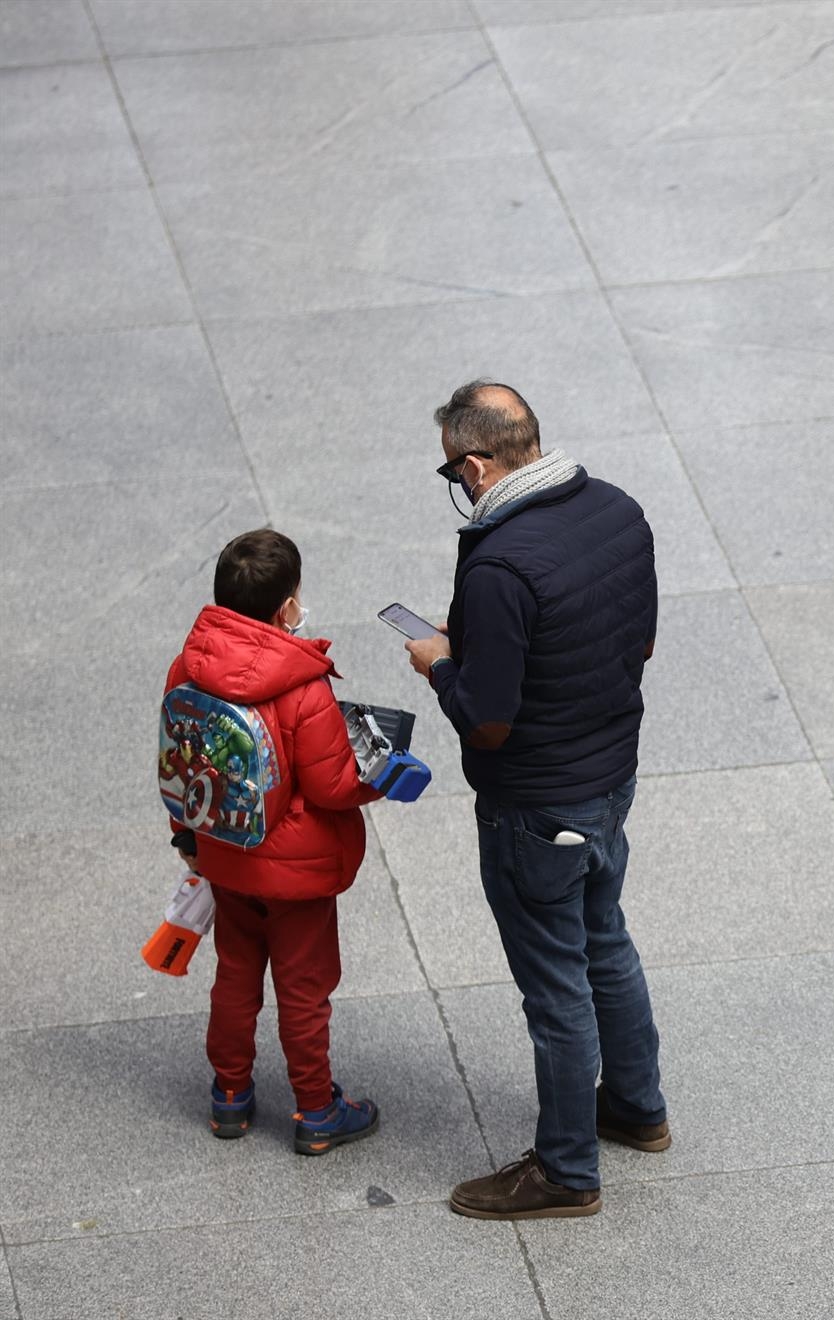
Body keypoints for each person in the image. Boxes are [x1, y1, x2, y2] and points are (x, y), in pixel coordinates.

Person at [406, 380, 665, 1220]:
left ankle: (565, 1171)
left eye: (454, 470)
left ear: (479, 463)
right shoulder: (619, 510)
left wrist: (440, 665)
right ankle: (635, 1107)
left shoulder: (502, 565)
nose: (458, 483)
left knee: (556, 989)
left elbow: (486, 721)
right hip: (608, 779)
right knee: (605, 941)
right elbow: (645, 641)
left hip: (534, 806)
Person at [163, 529, 383, 1153]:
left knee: (234, 973)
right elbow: (333, 785)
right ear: (287, 606)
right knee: (303, 989)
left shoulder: (188, 666)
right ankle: (316, 1110)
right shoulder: (302, 686)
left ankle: (228, 1095)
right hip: (295, 871)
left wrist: (188, 835)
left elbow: (183, 759)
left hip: (224, 853)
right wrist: (379, 777)